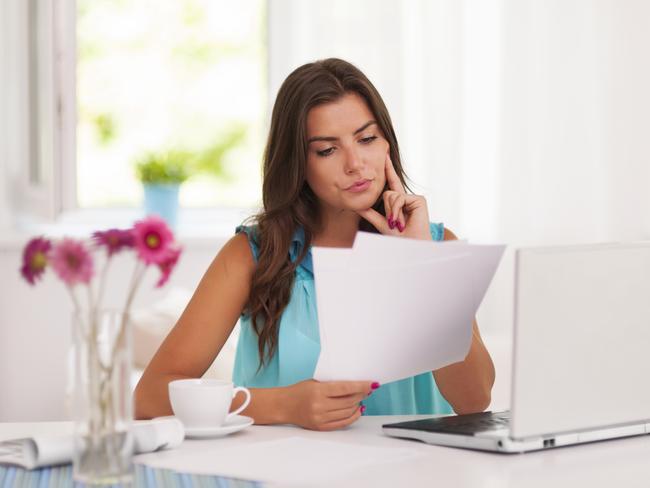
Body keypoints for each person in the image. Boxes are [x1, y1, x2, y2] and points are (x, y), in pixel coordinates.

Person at [134, 58, 495, 431]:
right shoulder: (252, 257)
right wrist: (283, 406)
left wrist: (421, 265)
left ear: (387, 142)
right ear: (297, 163)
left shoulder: (437, 245)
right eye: (327, 150)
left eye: (367, 138)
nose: (356, 163)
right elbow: (149, 398)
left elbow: (475, 400)